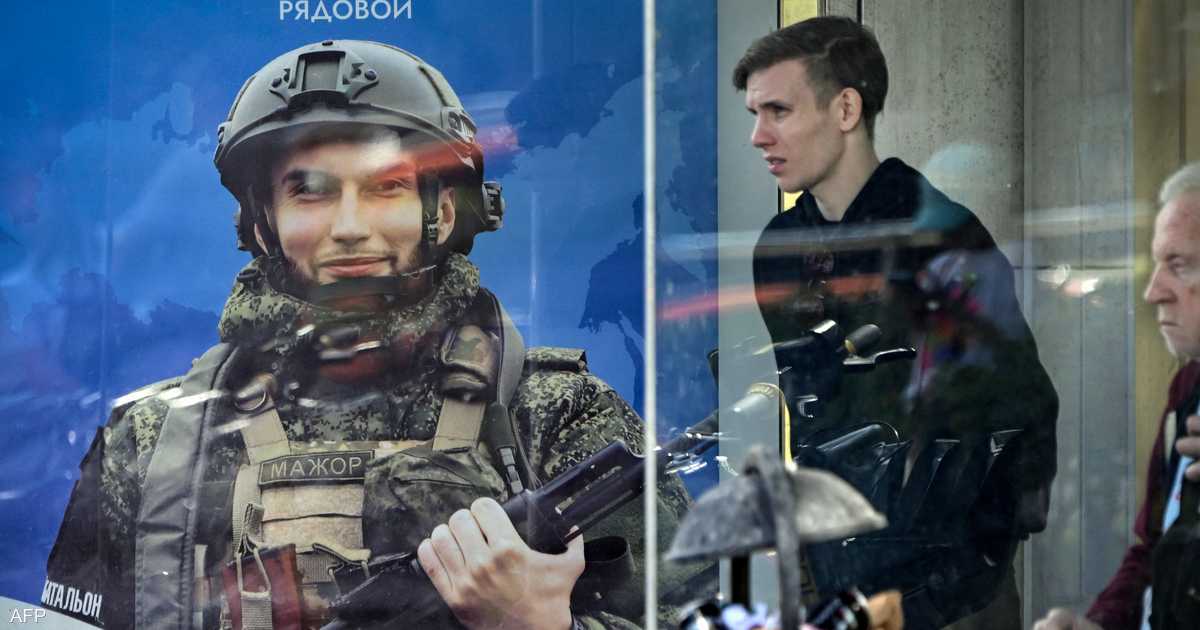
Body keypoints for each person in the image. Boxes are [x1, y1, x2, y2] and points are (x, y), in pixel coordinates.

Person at [41, 40, 702, 629]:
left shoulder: (555, 417)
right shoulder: (153, 441)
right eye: (310, 192)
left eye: (387, 187)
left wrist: (539, 625)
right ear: (262, 221)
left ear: (444, 211)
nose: (350, 227)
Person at [735, 16, 1058, 630]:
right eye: (755, 113)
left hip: (948, 592)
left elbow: (1024, 418)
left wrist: (953, 583)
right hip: (843, 580)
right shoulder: (781, 248)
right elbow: (814, 416)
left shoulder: (938, 238)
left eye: (779, 110)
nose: (758, 135)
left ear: (846, 109)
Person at [1033, 162, 1200, 630]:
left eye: (1180, 265)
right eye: (1157, 263)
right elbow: (1155, 549)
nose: (1153, 292)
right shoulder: (1187, 387)